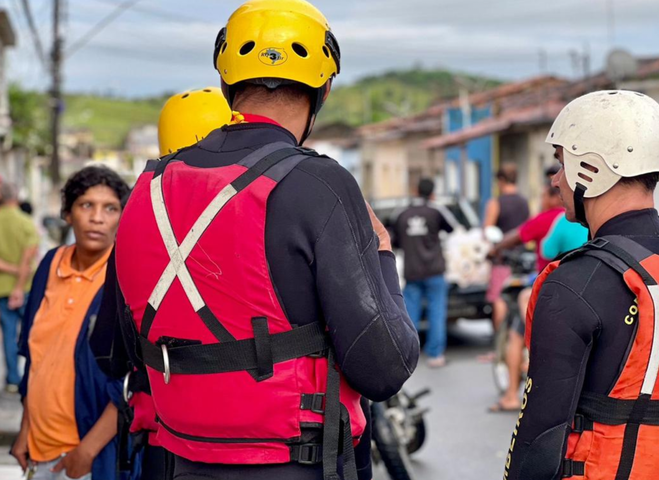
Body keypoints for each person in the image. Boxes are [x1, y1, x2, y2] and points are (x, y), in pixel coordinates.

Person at [104, 2, 420, 480]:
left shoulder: (146, 189)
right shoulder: (321, 184)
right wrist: (381, 255)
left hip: (174, 461)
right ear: (324, 88)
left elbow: (113, 353)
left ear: (227, 83)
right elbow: (385, 366)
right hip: (294, 462)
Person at [503, 91, 659, 480]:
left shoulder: (575, 283)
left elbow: (538, 441)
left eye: (562, 164)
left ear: (591, 170)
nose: (555, 179)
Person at [91, 87, 232, 480]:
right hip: (260, 443)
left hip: (167, 440)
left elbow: (109, 350)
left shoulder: (139, 222)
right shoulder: (262, 217)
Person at [11, 166, 132, 480]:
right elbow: (33, 354)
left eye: (110, 208)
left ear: (121, 218)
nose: (97, 217)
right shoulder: (50, 264)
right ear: (67, 213)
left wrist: (88, 451)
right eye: (86, 205)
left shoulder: (125, 278)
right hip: (38, 451)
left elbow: (133, 379)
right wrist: (25, 429)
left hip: (87, 456)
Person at [487, 180, 566, 413]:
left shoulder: (554, 219)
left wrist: (493, 250)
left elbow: (533, 244)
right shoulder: (583, 218)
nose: (541, 201)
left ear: (553, 197)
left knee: (517, 329)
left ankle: (512, 394)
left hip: (549, 285)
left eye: (543, 196)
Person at [392, 178, 459, 368]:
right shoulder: (436, 211)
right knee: (436, 311)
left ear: (415, 191)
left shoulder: (402, 213)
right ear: (432, 193)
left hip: (412, 272)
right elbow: (452, 229)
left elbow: (393, 240)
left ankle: (409, 355)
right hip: (435, 271)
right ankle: (436, 355)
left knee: (410, 313)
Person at [0, 181, 39, 394]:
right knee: (33, 332)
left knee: (8, 334)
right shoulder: (25, 222)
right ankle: (34, 373)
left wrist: (13, 273)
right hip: (26, 287)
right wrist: (21, 278)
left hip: (3, 289)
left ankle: (13, 380)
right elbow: (30, 254)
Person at [483, 164, 529, 335]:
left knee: (499, 299)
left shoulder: (496, 202)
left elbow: (487, 230)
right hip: (523, 259)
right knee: (519, 300)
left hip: (503, 259)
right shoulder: (524, 202)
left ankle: (500, 346)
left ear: (501, 181)